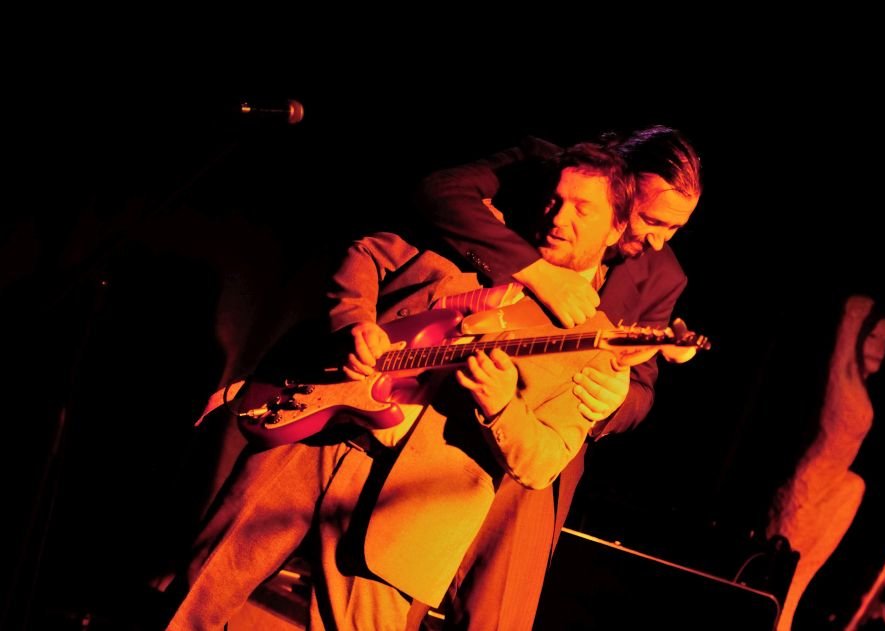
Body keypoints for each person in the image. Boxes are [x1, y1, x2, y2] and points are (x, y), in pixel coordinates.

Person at [164, 137, 698, 630]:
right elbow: (379, 245)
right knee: (194, 598)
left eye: (582, 210)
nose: (558, 217)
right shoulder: (492, 231)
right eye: (557, 202)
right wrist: (355, 324)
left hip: (414, 495)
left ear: (614, 226)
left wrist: (509, 406)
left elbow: (548, 456)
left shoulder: (599, 335)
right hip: (319, 434)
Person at [414, 126, 702, 628]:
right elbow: (439, 191)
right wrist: (536, 272)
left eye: (674, 228)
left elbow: (643, 389)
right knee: (396, 591)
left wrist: (615, 398)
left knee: (496, 616)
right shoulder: (547, 170)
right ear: (620, 184)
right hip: (448, 416)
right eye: (652, 219)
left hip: (537, 463)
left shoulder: (663, 274)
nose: (659, 240)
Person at [765, 295, 885, 631]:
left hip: (834, 489)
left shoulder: (857, 385)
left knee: (855, 485)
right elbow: (849, 327)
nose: (881, 348)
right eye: (873, 336)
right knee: (780, 580)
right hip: (809, 487)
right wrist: (853, 315)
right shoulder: (843, 379)